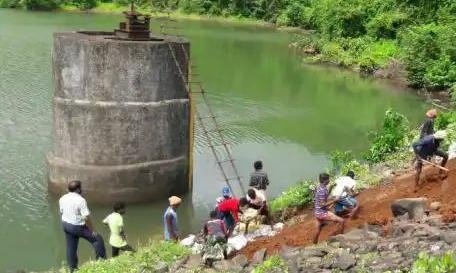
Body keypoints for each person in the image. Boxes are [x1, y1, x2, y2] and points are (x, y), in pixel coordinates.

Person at [59, 181, 106, 272]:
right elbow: (86, 217)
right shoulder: (80, 200)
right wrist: (92, 230)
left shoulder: (62, 198)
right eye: (81, 188)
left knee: (71, 247)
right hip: (78, 227)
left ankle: (73, 269)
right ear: (78, 189)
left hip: (65, 225)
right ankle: (101, 262)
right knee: (97, 239)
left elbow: (61, 212)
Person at [313, 173, 345, 244]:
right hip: (322, 213)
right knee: (342, 221)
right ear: (325, 180)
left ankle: (314, 244)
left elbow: (325, 196)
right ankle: (341, 239)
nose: (329, 180)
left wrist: (331, 188)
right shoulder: (322, 190)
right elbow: (322, 204)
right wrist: (334, 201)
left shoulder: (321, 187)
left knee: (318, 230)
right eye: (328, 179)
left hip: (317, 212)